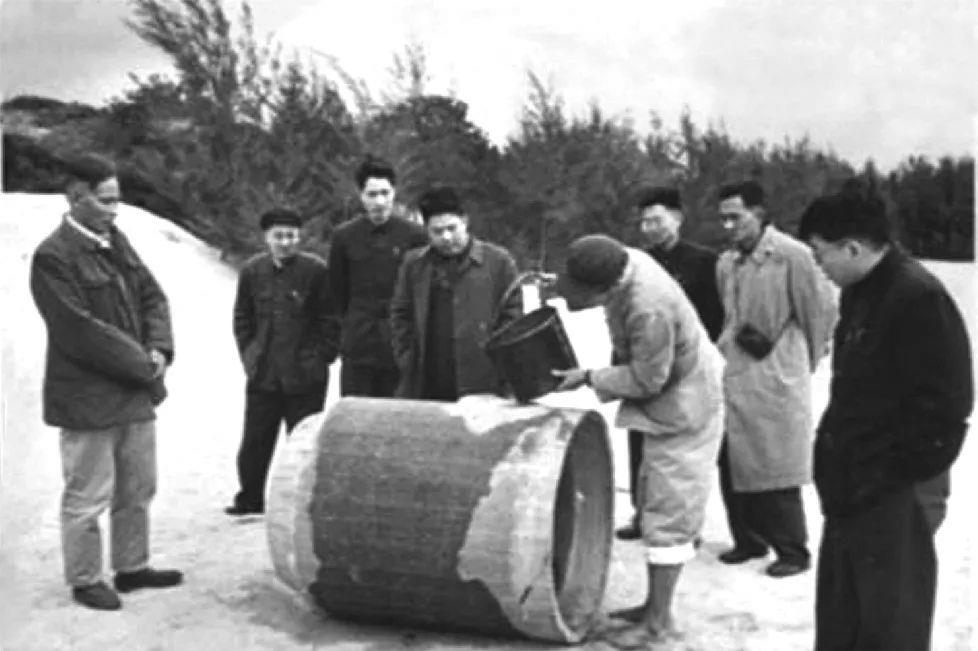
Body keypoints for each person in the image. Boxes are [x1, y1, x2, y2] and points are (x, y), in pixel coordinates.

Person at [799, 186, 972, 650]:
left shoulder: (918, 298)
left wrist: (889, 475)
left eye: (819, 253)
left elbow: (947, 411)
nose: (818, 265)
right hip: (852, 486)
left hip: (892, 492)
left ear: (852, 248)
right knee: (843, 619)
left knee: (890, 625)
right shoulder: (860, 292)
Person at [551, 234, 724, 646]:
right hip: (672, 397)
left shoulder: (649, 308)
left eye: (585, 296)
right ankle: (652, 607)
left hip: (686, 408)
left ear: (607, 287)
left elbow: (649, 379)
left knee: (669, 512)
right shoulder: (624, 262)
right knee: (652, 501)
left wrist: (590, 377)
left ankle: (658, 624)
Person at [29, 153, 182, 611]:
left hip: (133, 391)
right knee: (88, 494)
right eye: (106, 201)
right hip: (87, 398)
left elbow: (153, 296)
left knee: (137, 487)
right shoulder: (52, 256)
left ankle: (132, 567)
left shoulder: (116, 240)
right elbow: (79, 331)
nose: (116, 210)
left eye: (117, 200)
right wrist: (143, 364)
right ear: (76, 198)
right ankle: (85, 579)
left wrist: (160, 348)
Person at [714, 180, 837, 578]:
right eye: (723, 219)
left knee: (777, 464)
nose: (729, 226)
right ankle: (749, 539)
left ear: (759, 213)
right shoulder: (727, 263)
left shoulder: (792, 256)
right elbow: (729, 317)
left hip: (775, 375)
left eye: (736, 217)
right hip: (735, 370)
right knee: (733, 459)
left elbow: (819, 314)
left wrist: (797, 364)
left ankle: (792, 549)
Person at [616, 186, 725, 540]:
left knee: (682, 459)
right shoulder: (637, 265)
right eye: (644, 222)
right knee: (640, 448)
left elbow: (716, 317)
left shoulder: (704, 262)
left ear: (677, 218)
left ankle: (684, 525)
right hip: (644, 367)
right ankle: (642, 514)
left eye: (657, 220)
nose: (649, 228)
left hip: (685, 370)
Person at [225, 208, 339, 516]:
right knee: (255, 441)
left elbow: (330, 320)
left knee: (303, 443)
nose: (285, 242)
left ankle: (301, 504)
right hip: (264, 373)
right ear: (267, 237)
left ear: (299, 237)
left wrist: (319, 359)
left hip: (305, 376)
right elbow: (242, 318)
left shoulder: (316, 271)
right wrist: (250, 356)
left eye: (291, 236)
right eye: (278, 236)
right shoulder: (252, 271)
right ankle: (250, 499)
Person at [389, 186, 521, 400]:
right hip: (427, 379)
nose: (447, 237)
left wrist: (502, 368)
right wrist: (406, 357)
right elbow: (400, 314)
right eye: (437, 231)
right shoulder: (414, 264)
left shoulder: (499, 262)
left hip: (483, 379)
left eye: (452, 228)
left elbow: (512, 320)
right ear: (426, 230)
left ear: (465, 222)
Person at [328, 157, 428, 397]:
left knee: (397, 414)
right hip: (358, 347)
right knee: (356, 413)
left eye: (385, 193)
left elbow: (421, 293)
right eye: (372, 194)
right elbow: (337, 294)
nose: (379, 202)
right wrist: (345, 335)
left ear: (394, 193)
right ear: (361, 196)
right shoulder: (344, 237)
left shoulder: (415, 236)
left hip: (400, 349)